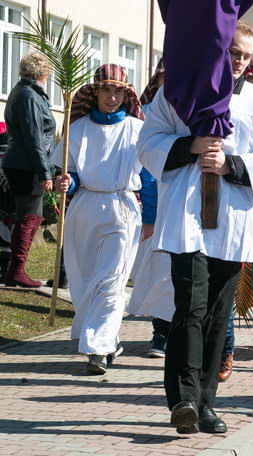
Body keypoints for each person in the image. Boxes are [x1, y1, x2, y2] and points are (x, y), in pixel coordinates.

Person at [137, 20, 253, 435]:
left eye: (246, 54)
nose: (239, 61)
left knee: (218, 314)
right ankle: (184, 399)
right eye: (233, 52)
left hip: (232, 219)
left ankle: (206, 403)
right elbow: (147, 141)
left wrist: (233, 165)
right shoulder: (179, 91)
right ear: (217, 49)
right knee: (190, 306)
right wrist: (187, 147)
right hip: (187, 216)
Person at [52, 64, 145, 374]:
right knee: (84, 279)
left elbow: (151, 175)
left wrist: (153, 217)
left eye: (118, 91)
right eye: (107, 90)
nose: (112, 97)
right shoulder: (76, 129)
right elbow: (70, 173)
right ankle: (107, 337)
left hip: (122, 207)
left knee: (112, 279)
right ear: (95, 93)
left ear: (126, 94)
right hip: (84, 208)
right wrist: (66, 182)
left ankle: (97, 349)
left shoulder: (137, 129)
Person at [127, 66, 172, 358]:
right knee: (158, 272)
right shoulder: (149, 114)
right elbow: (144, 168)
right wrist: (150, 216)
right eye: (164, 80)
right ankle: (161, 333)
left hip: (184, 205)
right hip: (157, 208)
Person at [2, 52, 56, 288]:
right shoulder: (29, 96)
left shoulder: (23, 92)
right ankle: (16, 270)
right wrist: (45, 173)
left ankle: (16, 269)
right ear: (42, 73)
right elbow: (34, 138)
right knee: (29, 217)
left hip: (24, 163)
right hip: (27, 166)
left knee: (32, 217)